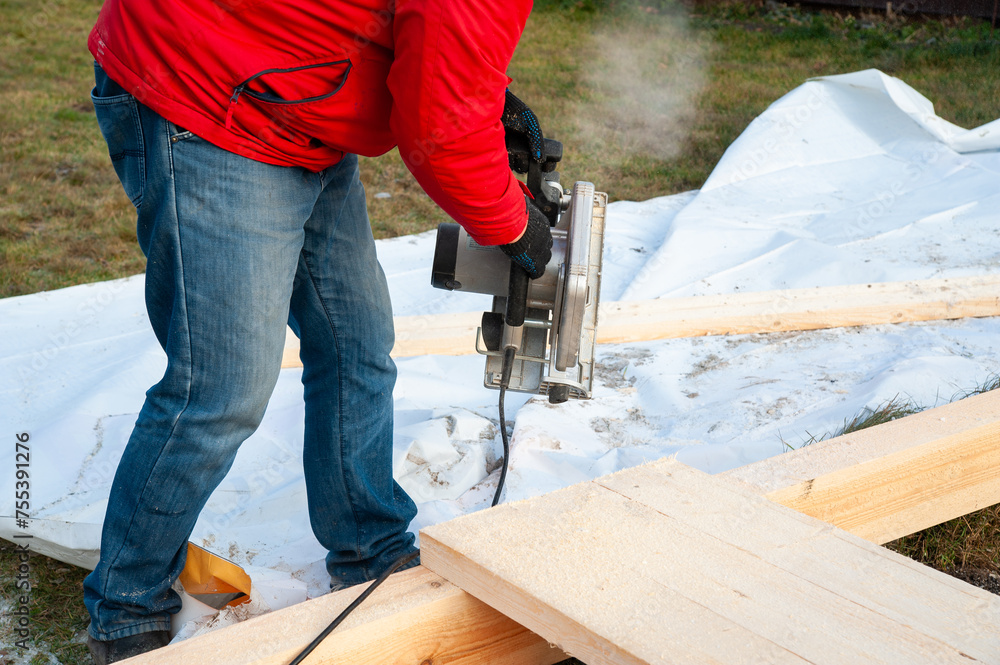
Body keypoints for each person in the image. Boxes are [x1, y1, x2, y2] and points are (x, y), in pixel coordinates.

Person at [82, 1, 553, 662]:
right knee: (221, 390)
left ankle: (371, 548)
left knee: (356, 343)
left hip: (298, 92)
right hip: (211, 92)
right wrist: (514, 222)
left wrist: (484, 93)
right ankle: (125, 604)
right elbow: (441, 136)